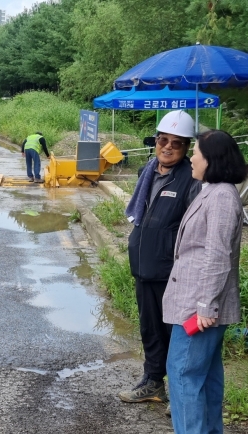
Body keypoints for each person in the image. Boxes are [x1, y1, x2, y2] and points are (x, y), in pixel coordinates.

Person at [163, 130, 245, 434]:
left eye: (196, 152)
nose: (191, 157)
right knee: (206, 375)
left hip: (200, 308)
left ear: (212, 159)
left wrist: (206, 306)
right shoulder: (211, 190)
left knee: (183, 375)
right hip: (197, 304)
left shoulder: (222, 196)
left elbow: (217, 256)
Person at [119, 110, 202, 404]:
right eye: (162, 140)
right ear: (155, 141)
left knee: (177, 336)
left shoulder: (191, 178)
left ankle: (182, 396)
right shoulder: (147, 171)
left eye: (176, 143)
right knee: (150, 329)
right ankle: (153, 382)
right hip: (143, 265)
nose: (167, 147)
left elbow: (194, 228)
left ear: (186, 148)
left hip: (171, 271)